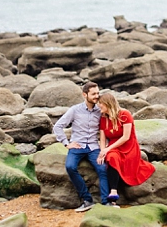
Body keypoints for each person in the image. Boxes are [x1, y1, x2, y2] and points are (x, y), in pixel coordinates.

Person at [53, 81, 110, 211]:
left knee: (102, 169)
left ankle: (106, 202)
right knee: (70, 167)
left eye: (98, 93)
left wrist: (106, 147)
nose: (97, 96)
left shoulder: (100, 110)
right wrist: (66, 143)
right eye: (93, 94)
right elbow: (58, 126)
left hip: (93, 147)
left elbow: (107, 127)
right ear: (85, 95)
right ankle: (87, 200)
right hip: (77, 146)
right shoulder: (74, 110)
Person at [96, 92, 155, 204]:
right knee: (112, 157)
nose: (99, 106)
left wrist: (108, 149)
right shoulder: (103, 119)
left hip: (128, 145)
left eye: (101, 104)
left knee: (112, 154)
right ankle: (113, 192)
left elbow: (126, 137)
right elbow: (102, 139)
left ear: (107, 103)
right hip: (113, 147)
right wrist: (102, 151)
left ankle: (114, 191)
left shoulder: (125, 114)